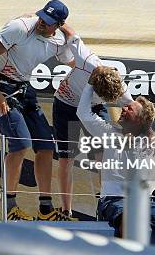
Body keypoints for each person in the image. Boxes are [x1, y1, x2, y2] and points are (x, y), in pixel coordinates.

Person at [0, 0, 75, 221]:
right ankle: (10, 208)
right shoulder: (20, 28)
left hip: (24, 87)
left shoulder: (59, 41)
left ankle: (45, 209)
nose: (41, 22)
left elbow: (75, 63)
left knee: (46, 145)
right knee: (20, 143)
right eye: (41, 17)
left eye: (48, 22)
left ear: (58, 25)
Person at [77, 69, 155, 251]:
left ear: (140, 120)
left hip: (142, 201)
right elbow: (83, 113)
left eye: (129, 109)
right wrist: (90, 83)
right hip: (113, 201)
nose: (124, 107)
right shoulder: (109, 133)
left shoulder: (150, 141)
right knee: (130, 222)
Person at [53, 25, 133, 217]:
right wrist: (53, 20)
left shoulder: (120, 87)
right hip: (66, 101)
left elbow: (135, 108)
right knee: (66, 159)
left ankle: (105, 202)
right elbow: (70, 32)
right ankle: (66, 211)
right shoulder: (86, 58)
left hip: (94, 107)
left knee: (103, 155)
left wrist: (149, 131)